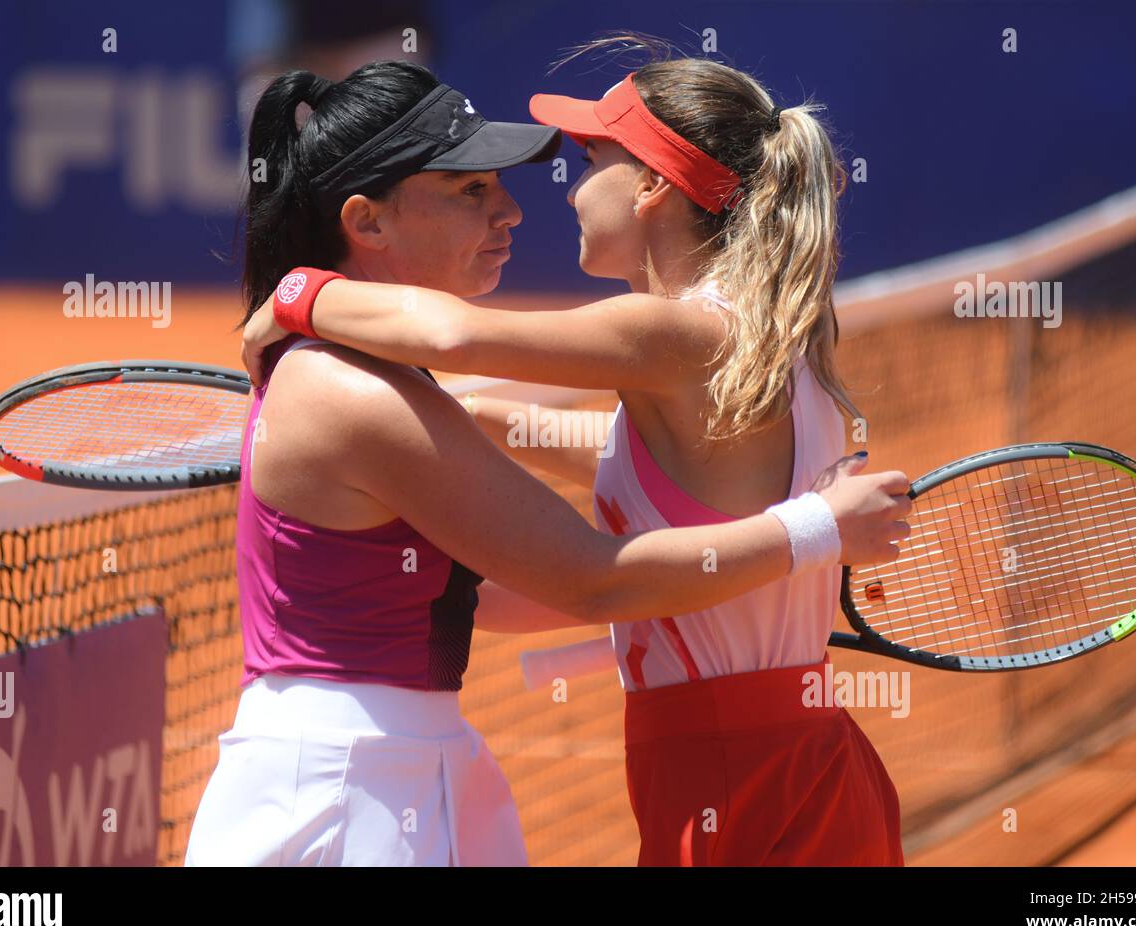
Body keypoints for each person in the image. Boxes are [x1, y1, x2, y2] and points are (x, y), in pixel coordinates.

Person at [187, 59, 911, 867]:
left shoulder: (669, 334)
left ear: (652, 190)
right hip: (755, 770)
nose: (544, 200)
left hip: (734, 779)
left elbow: (453, 338)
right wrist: (463, 436)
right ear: (367, 218)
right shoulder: (758, 342)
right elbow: (642, 499)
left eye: (591, 164)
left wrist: (293, 296)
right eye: (471, 189)